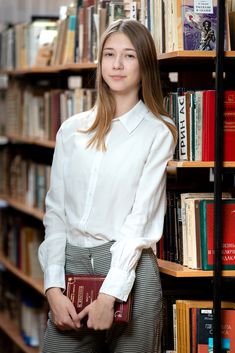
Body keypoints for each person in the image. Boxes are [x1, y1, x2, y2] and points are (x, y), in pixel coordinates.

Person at [38, 18, 177, 353]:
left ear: (144, 65)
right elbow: (56, 212)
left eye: (129, 56)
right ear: (99, 62)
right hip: (71, 265)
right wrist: (53, 288)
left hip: (127, 269)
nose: (117, 64)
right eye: (109, 54)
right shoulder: (71, 130)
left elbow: (140, 219)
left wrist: (109, 294)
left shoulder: (159, 131)